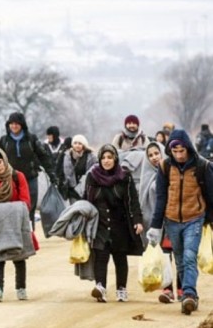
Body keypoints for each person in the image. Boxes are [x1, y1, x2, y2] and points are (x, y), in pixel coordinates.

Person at [147, 129, 213, 315]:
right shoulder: (165, 167)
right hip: (171, 220)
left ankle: (189, 295)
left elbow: (212, 195)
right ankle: (189, 294)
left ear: (189, 148)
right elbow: (161, 198)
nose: (178, 155)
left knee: (189, 257)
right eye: (174, 151)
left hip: (195, 218)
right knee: (180, 260)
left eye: (181, 151)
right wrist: (155, 226)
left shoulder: (203, 166)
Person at [85, 144, 144, 303]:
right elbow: (86, 201)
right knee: (101, 256)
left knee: (120, 257)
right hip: (100, 224)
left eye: (110, 157)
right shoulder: (92, 176)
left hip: (120, 224)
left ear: (115, 159)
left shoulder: (125, 177)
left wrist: (137, 221)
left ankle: (121, 289)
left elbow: (133, 201)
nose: (106, 160)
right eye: (103, 157)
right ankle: (101, 288)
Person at [0, 148, 34, 302]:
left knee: (19, 256)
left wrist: (9, 211)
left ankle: (21, 288)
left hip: (16, 222)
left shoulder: (17, 176)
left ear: (5, 160)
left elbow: (26, 201)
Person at [0, 112, 57, 233]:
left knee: (29, 207)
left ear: (22, 124)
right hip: (11, 179)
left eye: (16, 123)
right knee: (13, 206)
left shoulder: (31, 139)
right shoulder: (4, 141)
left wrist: (51, 174)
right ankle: (16, 235)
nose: (14, 126)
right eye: (11, 123)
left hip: (30, 177)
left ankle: (30, 235)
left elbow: (43, 156)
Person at [138, 142, 182, 303]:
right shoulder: (147, 175)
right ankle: (167, 289)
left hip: (175, 219)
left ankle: (182, 288)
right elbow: (143, 199)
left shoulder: (173, 170)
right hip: (157, 223)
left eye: (157, 153)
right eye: (150, 155)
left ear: (163, 153)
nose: (154, 157)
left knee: (180, 254)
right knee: (165, 256)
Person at [58, 134, 96, 203]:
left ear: (83, 145)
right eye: (75, 143)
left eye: (79, 143)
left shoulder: (91, 157)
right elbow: (61, 171)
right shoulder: (67, 156)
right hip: (72, 189)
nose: (77, 145)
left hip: (86, 188)